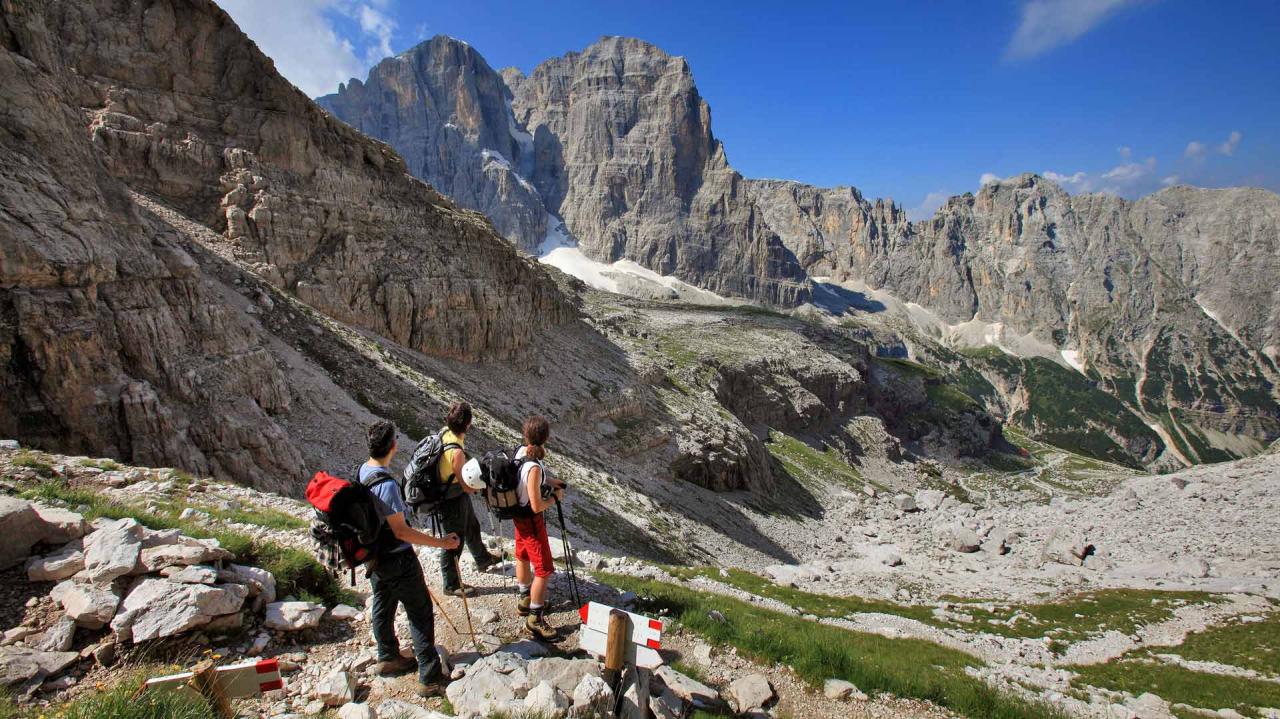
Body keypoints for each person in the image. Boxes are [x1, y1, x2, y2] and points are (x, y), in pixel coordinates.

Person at [360, 419, 461, 697]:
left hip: (376, 556)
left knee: (383, 602)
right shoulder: (388, 486)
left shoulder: (364, 471)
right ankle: (429, 678)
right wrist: (441, 542)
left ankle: (388, 655)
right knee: (419, 610)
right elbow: (402, 531)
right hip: (397, 559)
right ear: (393, 446)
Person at [435, 401, 501, 597]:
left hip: (451, 492)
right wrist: (479, 486)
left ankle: (483, 558)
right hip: (451, 496)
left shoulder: (445, 432)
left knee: (471, 524)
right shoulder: (457, 452)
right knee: (454, 539)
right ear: (468, 424)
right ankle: (451, 584)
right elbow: (464, 484)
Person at [512, 415, 565, 641]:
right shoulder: (534, 466)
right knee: (543, 570)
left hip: (517, 517)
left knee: (522, 556)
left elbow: (527, 481)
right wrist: (555, 498)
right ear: (546, 439)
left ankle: (525, 597)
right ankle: (535, 618)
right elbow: (536, 505)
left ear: (526, 436)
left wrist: (553, 482)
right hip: (531, 522)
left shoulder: (520, 453)